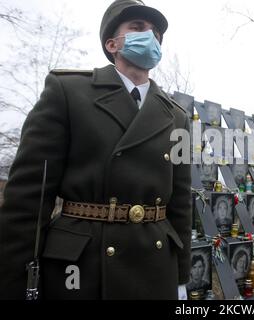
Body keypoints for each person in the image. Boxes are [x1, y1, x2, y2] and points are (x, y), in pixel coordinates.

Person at [0, 0, 192, 300]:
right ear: (112, 43)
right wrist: (15, 282)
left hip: (155, 266)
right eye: (138, 28)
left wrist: (181, 276)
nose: (150, 37)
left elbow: (180, 203)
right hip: (83, 267)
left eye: (155, 33)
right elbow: (28, 198)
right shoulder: (68, 92)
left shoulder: (177, 116)